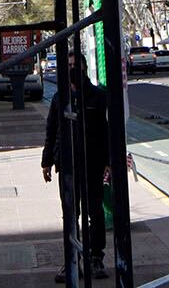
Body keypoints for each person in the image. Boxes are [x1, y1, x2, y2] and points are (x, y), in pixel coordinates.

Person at [42, 57, 111, 280]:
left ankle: (96, 259)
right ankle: (72, 259)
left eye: (76, 66)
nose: (72, 70)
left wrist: (109, 161)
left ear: (84, 68)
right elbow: (51, 131)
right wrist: (47, 161)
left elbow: (106, 131)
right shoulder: (59, 98)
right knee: (70, 214)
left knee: (95, 212)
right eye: (68, 66)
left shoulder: (99, 96)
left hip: (92, 163)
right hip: (68, 166)